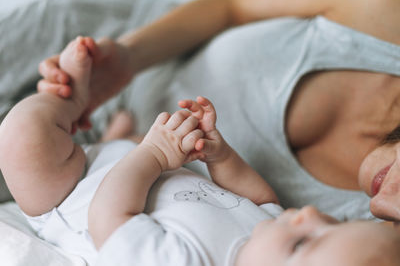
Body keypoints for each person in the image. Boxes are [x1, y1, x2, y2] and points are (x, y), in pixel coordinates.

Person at [1, 38, 400, 266]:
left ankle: (71, 103)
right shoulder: (268, 232)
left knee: (22, 138)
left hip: (70, 192)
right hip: (140, 159)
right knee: (135, 137)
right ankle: (115, 130)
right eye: (334, 224)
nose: (309, 215)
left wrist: (155, 155)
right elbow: (260, 198)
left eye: (303, 244)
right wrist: (221, 156)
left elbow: (111, 216)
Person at [36, 0, 400, 222]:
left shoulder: (366, 239)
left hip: (94, 176)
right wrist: (128, 59)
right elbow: (233, 6)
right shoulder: (384, 28)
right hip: (125, 38)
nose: (383, 209)